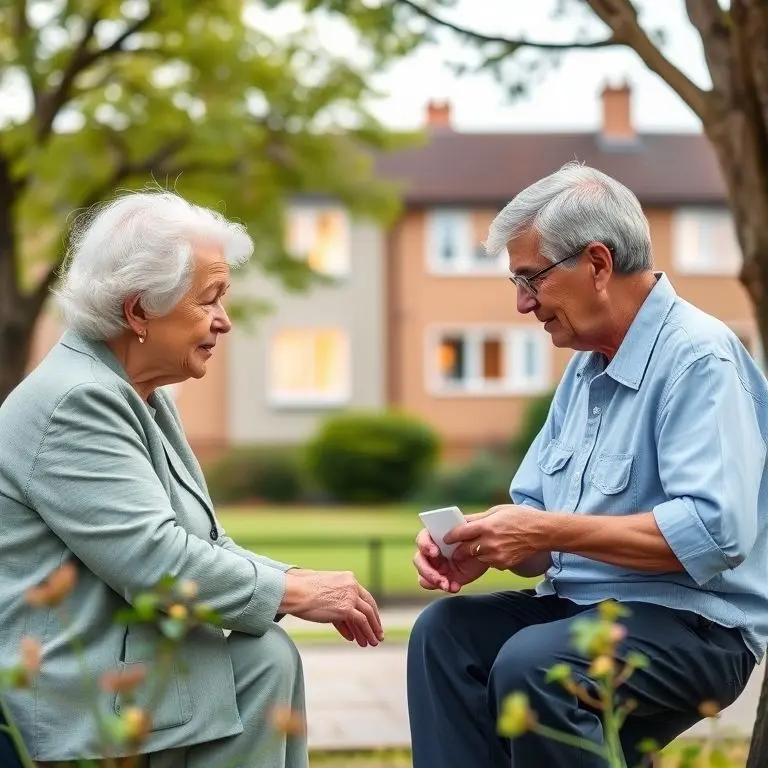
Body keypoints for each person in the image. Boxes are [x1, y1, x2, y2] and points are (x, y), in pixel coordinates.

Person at [0, 190, 384, 768]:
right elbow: (156, 561)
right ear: (138, 313)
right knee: (263, 658)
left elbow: (204, 544)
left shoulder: (139, 393)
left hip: (123, 665)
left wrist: (298, 581)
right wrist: (297, 592)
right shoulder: (76, 400)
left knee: (266, 656)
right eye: (210, 300)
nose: (225, 322)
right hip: (69, 695)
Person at [407, 161, 768, 767]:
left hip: (698, 626)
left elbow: (712, 533)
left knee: (536, 665)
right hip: (578, 613)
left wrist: (543, 531)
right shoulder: (585, 369)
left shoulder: (699, 357)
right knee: (443, 635)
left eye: (531, 278)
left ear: (598, 264)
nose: (523, 304)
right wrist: (481, 542)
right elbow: (537, 529)